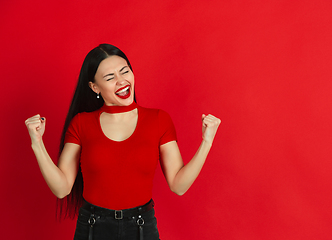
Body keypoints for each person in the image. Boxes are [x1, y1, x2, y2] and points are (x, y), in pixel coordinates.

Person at [24, 43, 221, 240]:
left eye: (124, 71)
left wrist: (206, 142)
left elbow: (179, 185)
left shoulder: (159, 120)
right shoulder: (82, 123)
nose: (121, 81)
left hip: (142, 227)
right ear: (94, 87)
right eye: (110, 77)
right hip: (92, 227)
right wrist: (37, 143)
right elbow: (62, 189)